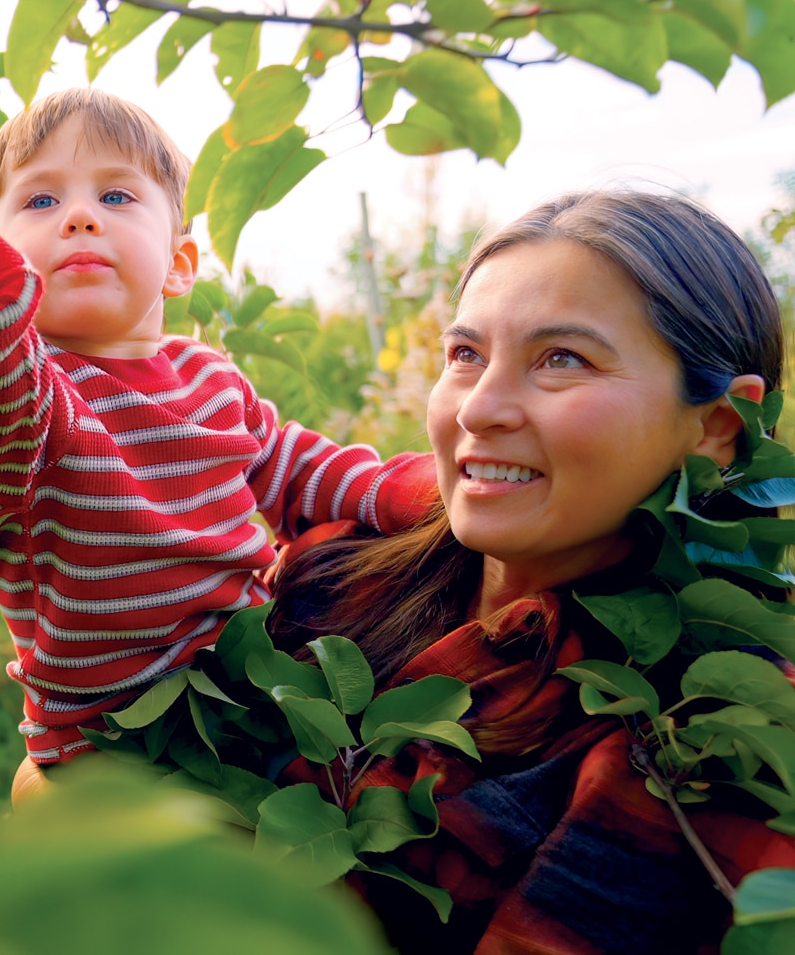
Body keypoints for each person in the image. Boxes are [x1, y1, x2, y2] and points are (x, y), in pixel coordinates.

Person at [0, 40, 435, 770]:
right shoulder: (36, 401)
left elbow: (300, 468)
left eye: (116, 195)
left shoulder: (210, 378)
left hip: (252, 695)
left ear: (180, 263)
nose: (78, 217)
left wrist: (417, 492)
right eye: (40, 200)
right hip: (115, 753)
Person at [266, 189, 795, 954]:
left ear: (716, 428)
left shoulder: (717, 740)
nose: (480, 408)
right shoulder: (330, 578)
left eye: (561, 359)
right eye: (465, 354)